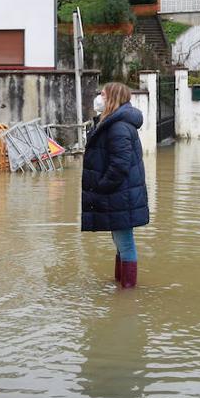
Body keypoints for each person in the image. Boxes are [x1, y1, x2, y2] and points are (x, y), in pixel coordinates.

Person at [81, 82, 149, 288]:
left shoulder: (118, 126)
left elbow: (120, 165)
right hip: (120, 193)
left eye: (102, 94)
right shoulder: (112, 123)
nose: (98, 98)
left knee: (125, 243)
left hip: (120, 194)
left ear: (112, 98)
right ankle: (121, 285)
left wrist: (101, 186)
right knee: (120, 242)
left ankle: (127, 292)